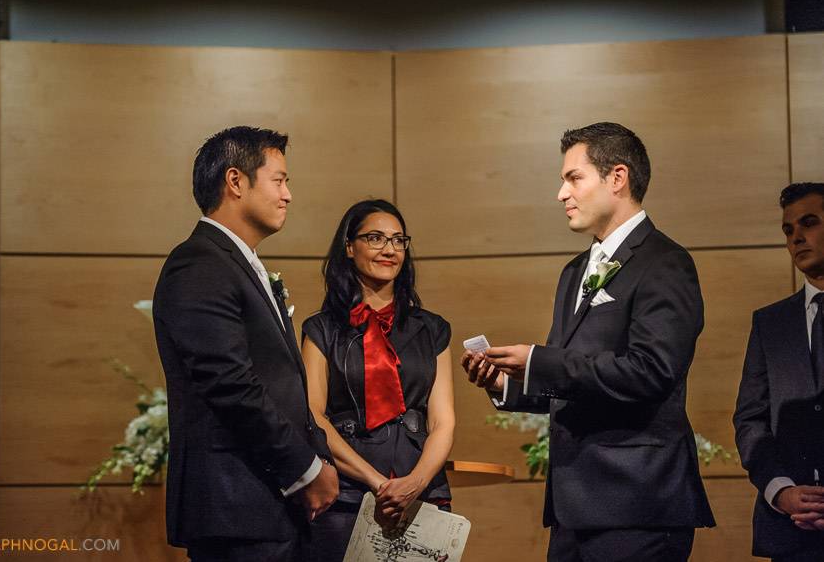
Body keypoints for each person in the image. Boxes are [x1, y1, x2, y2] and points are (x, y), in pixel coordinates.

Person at [462, 122, 715, 561]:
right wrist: (504, 382)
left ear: (617, 177)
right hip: (574, 506)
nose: (561, 193)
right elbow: (569, 381)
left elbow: (651, 371)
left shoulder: (665, 263)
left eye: (573, 178)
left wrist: (539, 360)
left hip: (638, 503)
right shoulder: (573, 272)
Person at [153, 126, 338, 562]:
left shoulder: (233, 263)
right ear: (236, 181)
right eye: (279, 180)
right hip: (235, 503)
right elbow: (231, 384)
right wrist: (306, 469)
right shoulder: (198, 264)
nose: (288, 194)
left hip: (264, 504)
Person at [301, 199, 455, 562]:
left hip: (422, 493)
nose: (389, 249)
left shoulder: (433, 329)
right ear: (349, 247)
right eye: (375, 238)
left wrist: (413, 485)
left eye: (398, 240)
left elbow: (443, 421)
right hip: (348, 494)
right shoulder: (321, 329)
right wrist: (378, 485)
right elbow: (313, 415)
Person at [734, 182, 824, 561]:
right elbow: (750, 421)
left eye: (809, 223)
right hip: (791, 533)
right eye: (788, 230)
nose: (796, 237)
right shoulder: (770, 322)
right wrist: (781, 491)